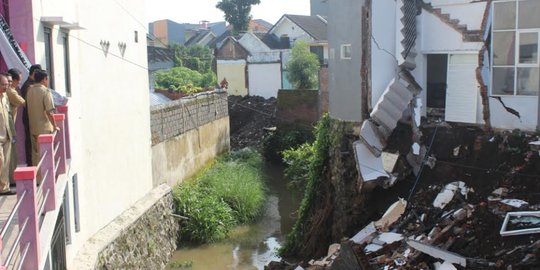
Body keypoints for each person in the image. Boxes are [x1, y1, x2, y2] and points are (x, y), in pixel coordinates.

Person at [26, 70, 58, 168]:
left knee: (36, 155)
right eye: (47, 79)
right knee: (45, 155)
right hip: (44, 128)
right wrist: (55, 126)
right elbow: (49, 112)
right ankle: (44, 179)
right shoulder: (45, 91)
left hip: (33, 128)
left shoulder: (29, 90)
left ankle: (38, 179)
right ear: (44, 79)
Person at [21, 64, 41, 166]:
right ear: (34, 73)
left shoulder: (31, 84)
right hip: (29, 118)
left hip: (32, 118)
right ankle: (31, 164)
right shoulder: (28, 86)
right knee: (30, 142)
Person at [0, 74, 14, 195]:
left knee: (6, 164)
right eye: (3, 84)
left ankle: (4, 188)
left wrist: (12, 133)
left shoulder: (5, 97)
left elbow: (9, 115)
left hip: (7, 135)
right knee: (1, 161)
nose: (6, 87)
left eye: (6, 84)